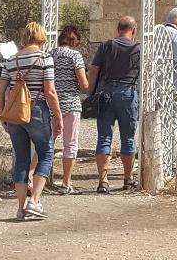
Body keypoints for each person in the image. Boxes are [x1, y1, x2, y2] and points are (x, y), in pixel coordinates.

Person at [0, 22, 63, 222]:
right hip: (37, 110)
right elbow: (49, 91)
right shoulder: (44, 59)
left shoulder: (11, 60)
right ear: (42, 36)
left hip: (15, 113)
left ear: (25, 36)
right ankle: (34, 201)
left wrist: (2, 114)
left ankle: (20, 207)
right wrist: (58, 116)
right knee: (46, 153)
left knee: (21, 159)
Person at [87, 16, 141, 194]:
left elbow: (94, 70)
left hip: (106, 93)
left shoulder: (106, 46)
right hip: (128, 93)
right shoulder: (137, 48)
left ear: (118, 29)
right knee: (128, 138)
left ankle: (103, 182)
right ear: (133, 31)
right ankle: (128, 179)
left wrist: (90, 93)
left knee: (104, 137)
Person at [52, 23, 90, 193]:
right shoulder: (75, 56)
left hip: (51, 104)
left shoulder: (50, 54)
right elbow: (83, 85)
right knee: (70, 144)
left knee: (46, 144)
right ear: (74, 41)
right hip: (71, 103)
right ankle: (66, 183)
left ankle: (33, 178)